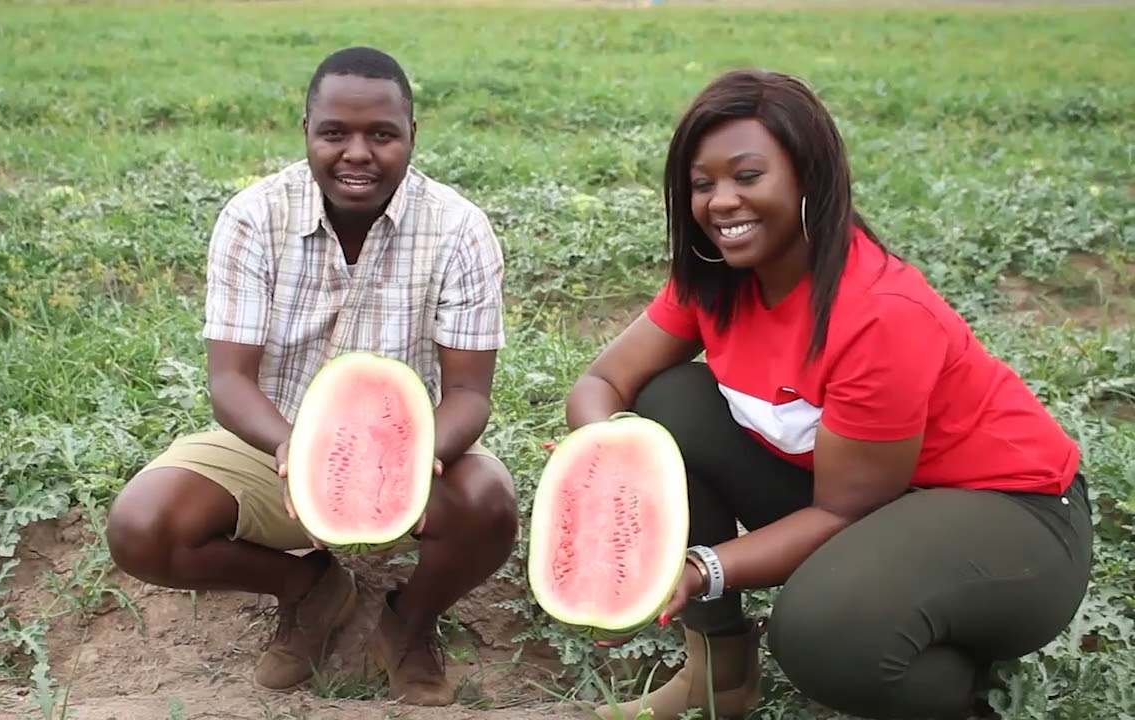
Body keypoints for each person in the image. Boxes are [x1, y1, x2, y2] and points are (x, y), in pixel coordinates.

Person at [565, 68, 1093, 720]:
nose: (721, 202)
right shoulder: (714, 279)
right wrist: (605, 465)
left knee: (821, 634)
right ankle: (719, 678)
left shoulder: (879, 313)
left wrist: (701, 567)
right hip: (874, 497)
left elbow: (843, 511)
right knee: (668, 405)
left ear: (809, 177)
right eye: (703, 184)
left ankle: (950, 681)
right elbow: (603, 382)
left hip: (1018, 519)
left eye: (748, 176)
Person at [104, 46, 519, 708]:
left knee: (490, 504)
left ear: (412, 135)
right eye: (335, 133)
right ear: (307, 132)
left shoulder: (459, 229)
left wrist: (421, 457)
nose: (358, 152)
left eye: (382, 134)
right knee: (143, 526)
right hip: (271, 441)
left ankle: (408, 625)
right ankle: (309, 589)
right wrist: (293, 449)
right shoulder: (254, 216)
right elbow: (230, 381)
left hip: (400, 453)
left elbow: (469, 393)